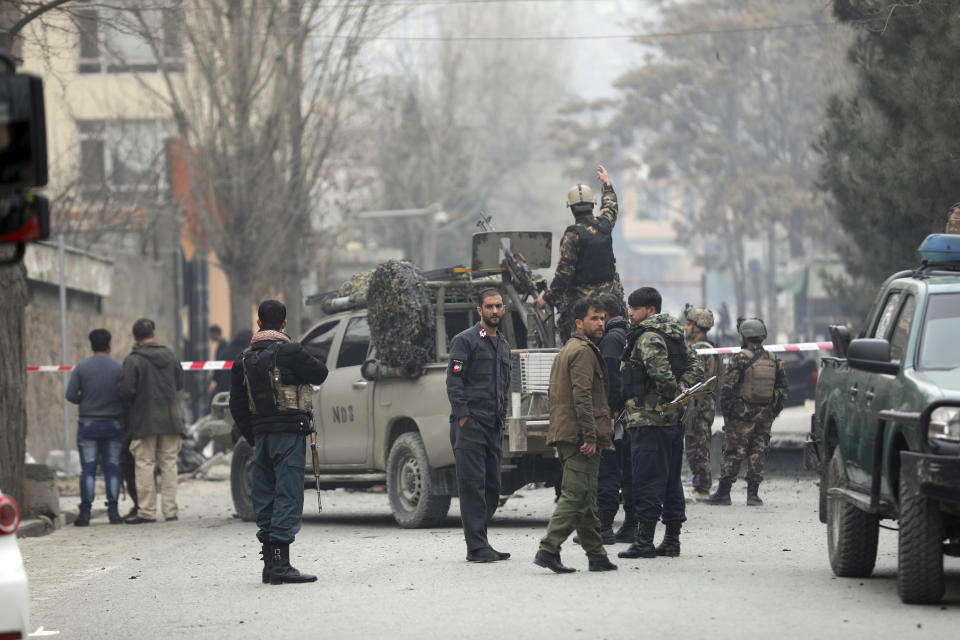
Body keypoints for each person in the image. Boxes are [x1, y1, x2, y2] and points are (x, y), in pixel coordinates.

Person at [229, 300, 328, 585]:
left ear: (259, 323)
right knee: (288, 495)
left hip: (261, 437)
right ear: (284, 324)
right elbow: (320, 373)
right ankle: (281, 565)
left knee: (265, 496)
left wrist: (255, 435)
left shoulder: (243, 358)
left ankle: (269, 564)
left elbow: (237, 406)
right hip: (289, 435)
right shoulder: (292, 352)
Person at [617, 287, 703, 560]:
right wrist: (682, 390)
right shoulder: (675, 334)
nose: (630, 313)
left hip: (649, 419)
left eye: (634, 308)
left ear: (650, 310)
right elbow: (696, 368)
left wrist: (672, 391)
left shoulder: (648, 337)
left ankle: (644, 541)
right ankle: (672, 540)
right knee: (670, 481)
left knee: (646, 480)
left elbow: (659, 373)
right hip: (672, 421)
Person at [534, 298, 617, 573]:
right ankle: (548, 549)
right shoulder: (582, 351)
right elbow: (582, 396)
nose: (601, 323)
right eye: (594, 318)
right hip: (579, 436)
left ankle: (597, 555)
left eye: (603, 318)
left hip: (569, 433)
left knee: (586, 497)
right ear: (579, 323)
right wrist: (589, 436)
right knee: (575, 495)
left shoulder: (570, 348)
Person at [446, 288, 512, 563]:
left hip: (493, 426)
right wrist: (464, 417)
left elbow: (504, 386)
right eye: (489, 306)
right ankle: (476, 547)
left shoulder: (503, 345)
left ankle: (481, 539)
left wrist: (503, 417)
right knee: (473, 486)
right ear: (480, 310)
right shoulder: (466, 340)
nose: (494, 311)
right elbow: (454, 381)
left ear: (503, 309)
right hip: (470, 424)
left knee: (493, 486)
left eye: (498, 306)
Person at [533, 165, 626, 342]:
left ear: (571, 208)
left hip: (584, 310)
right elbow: (611, 207)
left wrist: (547, 299)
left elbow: (563, 276)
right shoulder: (604, 226)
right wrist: (607, 184)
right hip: (610, 305)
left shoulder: (572, 235)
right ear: (593, 205)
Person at [703, 318, 789, 506]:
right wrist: (773, 412)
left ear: (744, 337)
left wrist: (727, 412)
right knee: (758, 451)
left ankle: (724, 494)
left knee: (733, 452)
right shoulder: (774, 360)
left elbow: (728, 387)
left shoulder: (740, 358)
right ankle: (753, 495)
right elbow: (783, 390)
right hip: (764, 415)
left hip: (740, 416)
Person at [118, 318, 185, 524]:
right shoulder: (170, 355)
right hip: (171, 418)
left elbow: (126, 391)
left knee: (144, 464)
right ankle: (170, 510)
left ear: (135, 337)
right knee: (169, 465)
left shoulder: (133, 360)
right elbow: (180, 383)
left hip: (144, 420)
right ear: (153, 334)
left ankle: (146, 512)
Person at [65, 328, 124, 526]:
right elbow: (124, 393)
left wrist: (87, 401)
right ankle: (114, 512)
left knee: (88, 469)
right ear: (110, 345)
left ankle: (85, 513)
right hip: (113, 423)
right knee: (112, 468)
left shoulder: (81, 367)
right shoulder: (118, 368)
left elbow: (71, 394)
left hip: (88, 423)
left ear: (91, 345)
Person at [594, 294, 631, 544]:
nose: (596, 322)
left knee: (607, 471)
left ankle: (603, 528)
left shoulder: (610, 340)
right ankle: (630, 526)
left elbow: (612, 381)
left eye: (597, 316)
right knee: (628, 473)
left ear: (605, 315)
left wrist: (609, 413)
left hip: (615, 419)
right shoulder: (626, 334)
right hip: (629, 417)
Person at [683, 307, 721, 501]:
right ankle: (700, 485)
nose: (685, 327)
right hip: (699, 404)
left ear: (697, 327)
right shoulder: (704, 347)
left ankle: (702, 488)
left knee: (697, 447)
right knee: (696, 446)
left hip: (699, 405)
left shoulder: (702, 349)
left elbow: (697, 379)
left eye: (689, 324)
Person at [208, 325, 231, 396]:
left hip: (224, 380)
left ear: (215, 333)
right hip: (221, 380)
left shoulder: (224, 345)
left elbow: (221, 363)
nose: (210, 336)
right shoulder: (222, 344)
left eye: (210, 334)